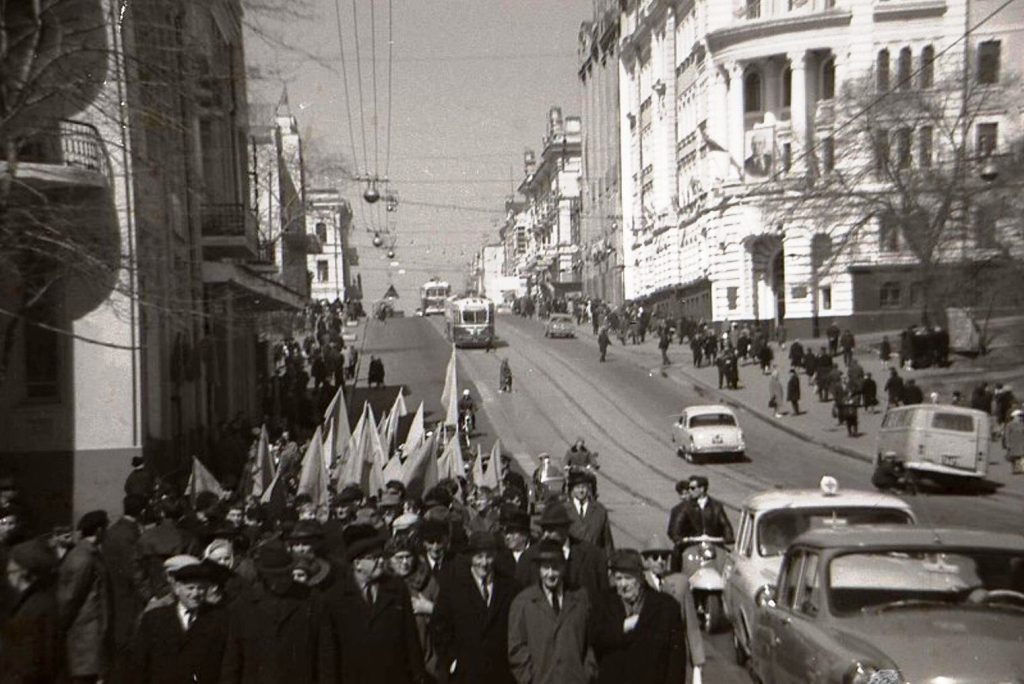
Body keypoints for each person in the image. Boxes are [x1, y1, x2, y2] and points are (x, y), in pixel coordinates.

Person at [321, 524, 426, 684]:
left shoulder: (396, 588)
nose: (380, 561)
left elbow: (410, 639)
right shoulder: (334, 597)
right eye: (373, 558)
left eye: (381, 556)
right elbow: (329, 653)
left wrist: (418, 676)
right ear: (357, 564)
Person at [221, 540, 330, 684]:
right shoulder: (244, 605)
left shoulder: (312, 600)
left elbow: (325, 656)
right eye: (275, 576)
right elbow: (233, 660)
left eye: (286, 575)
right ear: (263, 575)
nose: (282, 581)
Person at [432, 532, 520, 684]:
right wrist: (452, 661)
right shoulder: (453, 588)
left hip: (502, 674)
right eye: (479, 557)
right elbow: (439, 627)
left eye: (489, 556)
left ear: (496, 556)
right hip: (466, 674)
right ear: (470, 557)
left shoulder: (511, 587)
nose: (484, 563)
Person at [507, 539, 597, 684]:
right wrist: (530, 678)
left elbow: (592, 642)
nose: (550, 574)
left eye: (555, 567)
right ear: (539, 569)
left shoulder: (581, 599)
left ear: (563, 567)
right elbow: (516, 649)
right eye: (545, 568)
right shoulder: (523, 602)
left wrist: (586, 674)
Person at [590, 549, 687, 684]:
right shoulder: (603, 604)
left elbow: (676, 662)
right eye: (619, 578)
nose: (623, 584)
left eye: (628, 578)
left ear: (641, 577)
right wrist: (622, 628)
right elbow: (595, 640)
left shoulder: (666, 607)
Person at [129, 559, 229, 684]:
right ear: (177, 589)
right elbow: (139, 665)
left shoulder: (219, 618)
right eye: (190, 588)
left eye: (200, 588)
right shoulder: (154, 619)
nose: (195, 593)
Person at [640, 535, 705, 681]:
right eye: (655, 557)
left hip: (673, 657)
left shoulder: (680, 583)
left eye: (664, 557)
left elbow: (692, 627)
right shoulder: (640, 583)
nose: (660, 561)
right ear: (645, 560)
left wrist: (697, 667)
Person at [58, 510, 112, 684]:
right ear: (98, 531)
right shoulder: (84, 558)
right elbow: (70, 598)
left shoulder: (86, 554)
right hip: (85, 638)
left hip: (88, 637)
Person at [515, 503, 607, 606]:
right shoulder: (528, 558)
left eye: (551, 530)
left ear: (566, 529)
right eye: (544, 530)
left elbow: (604, 598)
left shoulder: (592, 556)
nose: (546, 535)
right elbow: (519, 599)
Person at [1, 538, 62, 683]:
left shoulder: (31, 610)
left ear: (24, 572)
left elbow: (27, 667)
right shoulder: (42, 601)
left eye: (11, 570)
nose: (8, 574)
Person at [671, 477, 734, 544]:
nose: (689, 491)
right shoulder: (683, 507)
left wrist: (727, 537)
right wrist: (684, 539)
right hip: (690, 546)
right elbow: (675, 530)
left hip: (713, 545)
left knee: (722, 554)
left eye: (692, 488)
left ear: (701, 489)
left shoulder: (716, 507)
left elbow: (726, 526)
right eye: (688, 488)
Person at [565, 470, 614, 552]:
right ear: (572, 490)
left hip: (595, 560)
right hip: (572, 561)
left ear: (588, 489)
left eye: (583, 487)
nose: (581, 491)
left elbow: (607, 542)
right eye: (577, 487)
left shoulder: (599, 510)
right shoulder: (564, 511)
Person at [1003, 409, 1024, 475]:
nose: (1020, 417)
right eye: (1019, 416)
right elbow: (1006, 435)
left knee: (1022, 457)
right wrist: (1007, 444)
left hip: (1021, 443)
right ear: (1015, 416)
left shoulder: (1022, 424)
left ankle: (1022, 468)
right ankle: (1013, 469)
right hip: (1013, 443)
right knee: (1013, 458)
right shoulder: (1009, 425)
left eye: (1021, 416)